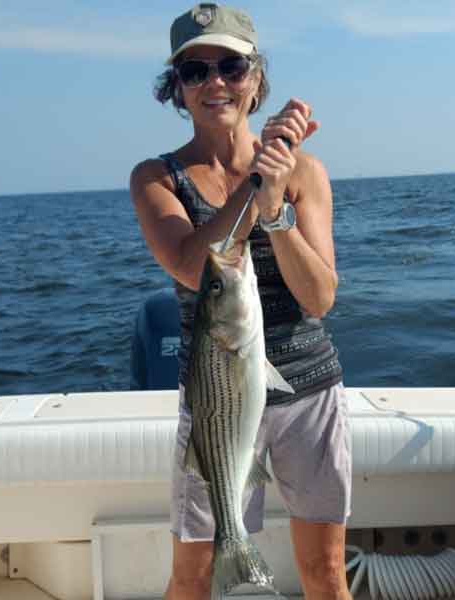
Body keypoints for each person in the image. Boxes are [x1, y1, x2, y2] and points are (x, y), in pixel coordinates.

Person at [129, 4, 352, 599]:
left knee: (326, 572)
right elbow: (192, 265)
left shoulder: (304, 171)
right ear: (176, 87)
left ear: (256, 76)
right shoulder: (156, 177)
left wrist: (277, 209)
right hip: (214, 394)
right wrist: (257, 184)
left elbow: (320, 297)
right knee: (194, 574)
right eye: (195, 71)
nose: (215, 83)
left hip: (308, 387)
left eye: (230, 65)